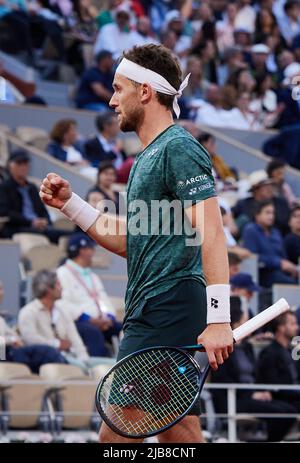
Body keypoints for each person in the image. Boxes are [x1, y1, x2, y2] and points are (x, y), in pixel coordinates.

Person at [39, 43, 234, 444]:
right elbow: (135, 241)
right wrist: (71, 205)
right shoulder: (149, 156)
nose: (111, 100)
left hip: (167, 306)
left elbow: (211, 231)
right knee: (180, 432)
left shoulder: (176, 147)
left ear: (145, 91)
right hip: (156, 305)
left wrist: (219, 318)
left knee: (117, 434)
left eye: (118, 88)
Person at [211, 296, 297, 442]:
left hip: (249, 396)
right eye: (246, 316)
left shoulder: (248, 347)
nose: (248, 318)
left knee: (287, 410)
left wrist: (259, 392)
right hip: (234, 399)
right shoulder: (222, 348)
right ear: (238, 319)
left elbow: (255, 376)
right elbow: (222, 379)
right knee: (282, 413)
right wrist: (252, 394)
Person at [56, 233, 122, 357]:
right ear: (81, 251)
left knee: (123, 329)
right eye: (90, 248)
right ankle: (99, 371)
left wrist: (108, 317)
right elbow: (63, 304)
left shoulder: (92, 276)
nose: (93, 252)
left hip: (100, 321)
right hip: (76, 322)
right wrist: (88, 319)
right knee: (92, 333)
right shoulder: (62, 273)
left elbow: (103, 300)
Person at [0, 150, 67, 243]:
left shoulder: (32, 187)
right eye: (19, 163)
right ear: (10, 166)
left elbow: (42, 210)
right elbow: (5, 213)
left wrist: (46, 221)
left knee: (71, 234)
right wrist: (31, 222)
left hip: (37, 226)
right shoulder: (4, 187)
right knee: (52, 234)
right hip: (17, 227)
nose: (23, 167)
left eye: (26, 163)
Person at [0, 279, 66, 373]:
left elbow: (17, 338)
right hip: (4, 356)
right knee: (46, 352)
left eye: (1, 289)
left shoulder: (1, 320)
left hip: (10, 354)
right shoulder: (29, 312)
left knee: (47, 357)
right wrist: (11, 340)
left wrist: (14, 340)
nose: (1, 293)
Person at [242, 200, 298, 287]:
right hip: (263, 273)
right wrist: (279, 263)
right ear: (257, 215)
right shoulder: (251, 230)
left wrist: (290, 268)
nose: (271, 216)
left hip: (280, 272)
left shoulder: (276, 232)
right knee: (293, 285)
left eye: (273, 213)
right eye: (267, 213)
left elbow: (283, 255)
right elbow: (252, 256)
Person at [257, 310, 300, 411]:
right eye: (293, 324)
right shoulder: (269, 353)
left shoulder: (292, 351)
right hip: (284, 401)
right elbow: (273, 385)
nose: (297, 327)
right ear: (281, 327)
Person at [232, 170, 290, 236]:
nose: (270, 188)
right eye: (265, 186)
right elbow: (228, 213)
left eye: (270, 185)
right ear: (256, 189)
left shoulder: (281, 203)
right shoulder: (244, 203)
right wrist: (230, 223)